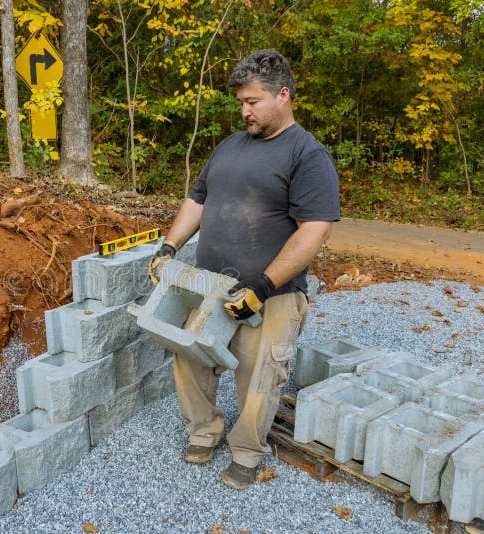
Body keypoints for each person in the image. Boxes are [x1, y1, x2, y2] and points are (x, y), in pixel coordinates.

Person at [147, 49, 340, 489]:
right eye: (240, 102)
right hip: (210, 286)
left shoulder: (307, 155)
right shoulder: (229, 147)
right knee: (190, 357)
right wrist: (169, 246)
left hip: (271, 293)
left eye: (252, 101)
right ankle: (204, 431)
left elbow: (314, 229)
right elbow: (198, 200)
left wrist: (265, 283)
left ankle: (248, 450)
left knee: (260, 375)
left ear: (283, 95)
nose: (244, 110)